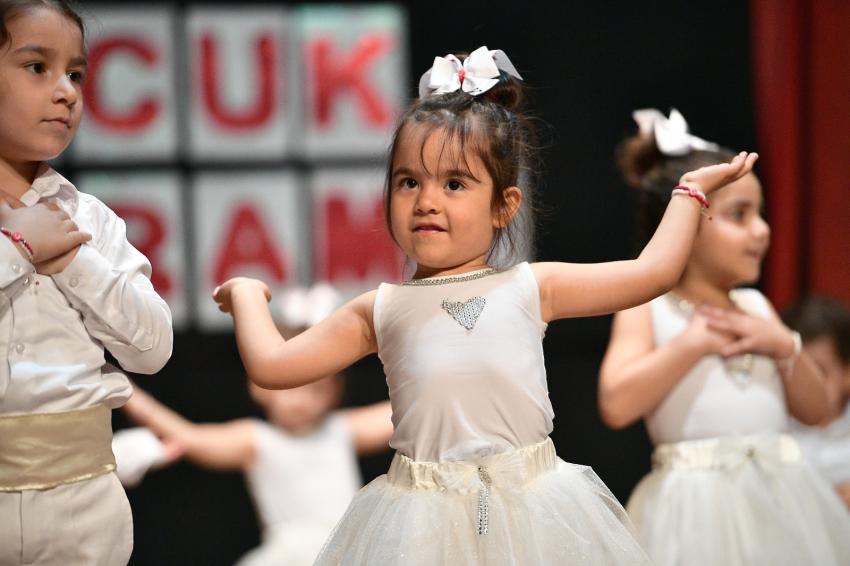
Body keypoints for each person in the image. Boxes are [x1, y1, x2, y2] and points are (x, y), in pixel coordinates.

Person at [213, 47, 756, 565]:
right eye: (408, 182)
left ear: (504, 205)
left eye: (454, 183)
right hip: (421, 527)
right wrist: (247, 296)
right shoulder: (379, 309)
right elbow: (273, 367)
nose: (427, 200)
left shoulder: (531, 286)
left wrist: (688, 193)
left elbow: (652, 273)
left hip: (535, 515)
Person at [599, 108, 850, 565]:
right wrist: (691, 344)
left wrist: (784, 346)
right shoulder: (648, 307)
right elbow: (616, 403)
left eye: (761, 214)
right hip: (695, 514)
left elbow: (818, 412)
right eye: (740, 215)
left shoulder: (755, 307)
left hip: (780, 502)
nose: (763, 230)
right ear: (686, 225)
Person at [0, 2, 173, 564]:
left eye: (75, 74)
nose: (66, 92)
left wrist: (72, 258)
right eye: (37, 67)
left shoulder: (90, 220)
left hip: (84, 503)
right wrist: (17, 248)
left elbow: (152, 348)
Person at [123, 284, 393, 566]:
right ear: (260, 384)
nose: (300, 400)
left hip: (348, 552)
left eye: (316, 388)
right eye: (290, 387)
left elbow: (403, 412)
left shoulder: (341, 430)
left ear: (336, 390)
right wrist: (125, 392)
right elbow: (190, 438)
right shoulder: (257, 440)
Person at [783, 295, 850, 509]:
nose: (807, 384)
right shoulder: (773, 431)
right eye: (795, 372)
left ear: (847, 373)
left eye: (820, 372)